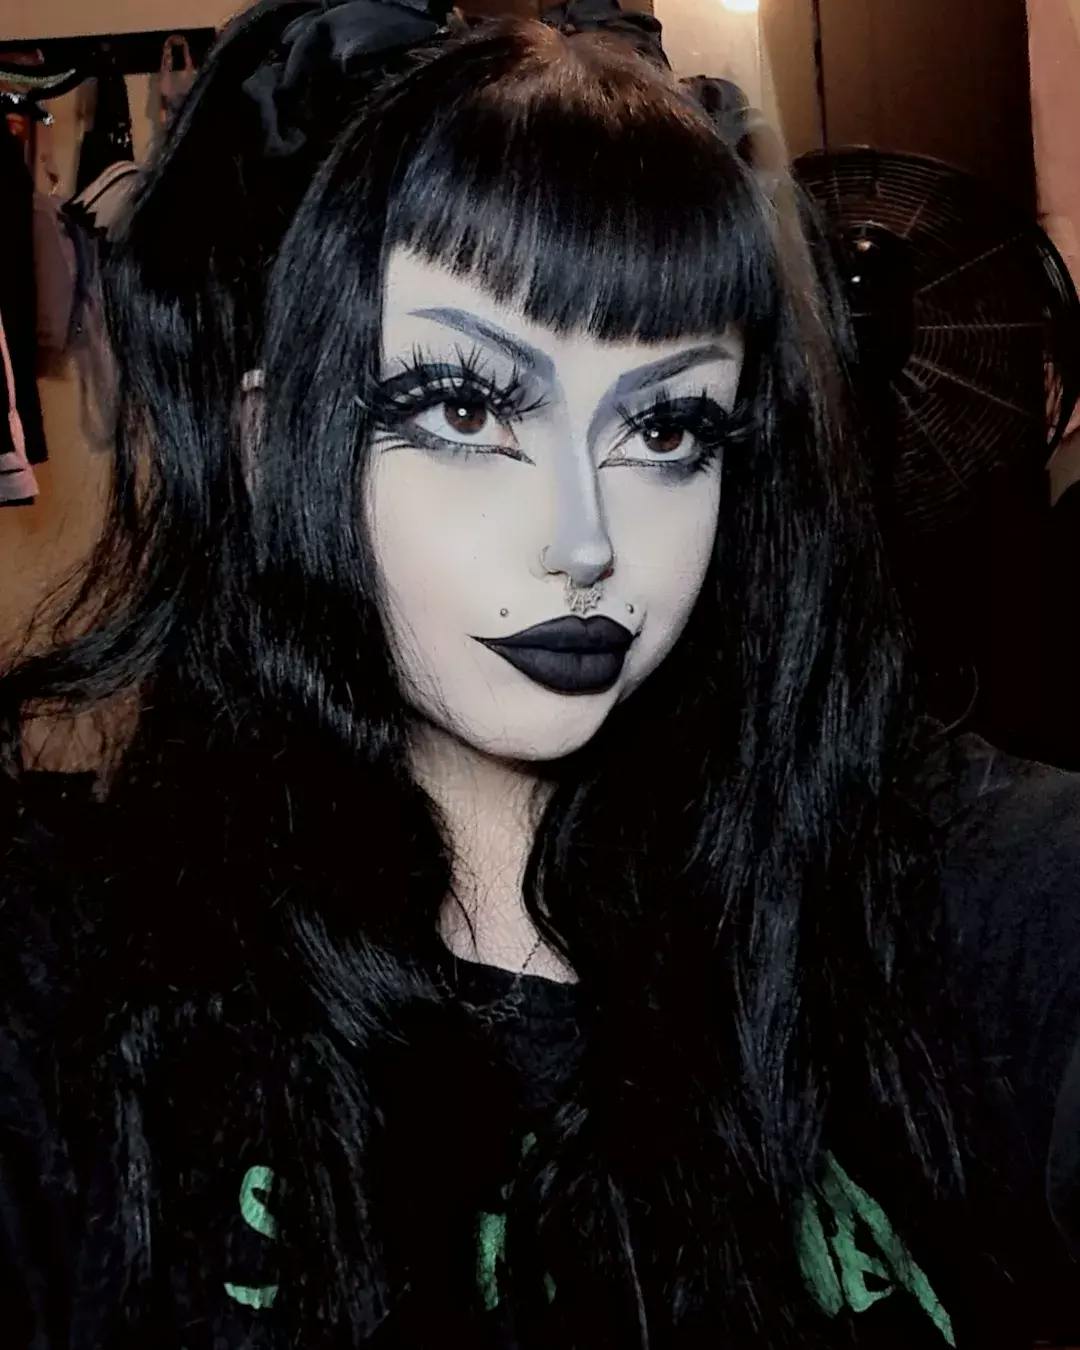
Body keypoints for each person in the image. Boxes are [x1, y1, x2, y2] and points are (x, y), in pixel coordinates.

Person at [3, 2, 1080, 1348]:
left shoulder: (914, 878)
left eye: (668, 428)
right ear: (275, 446)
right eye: (465, 407)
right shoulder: (73, 978)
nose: (588, 539)